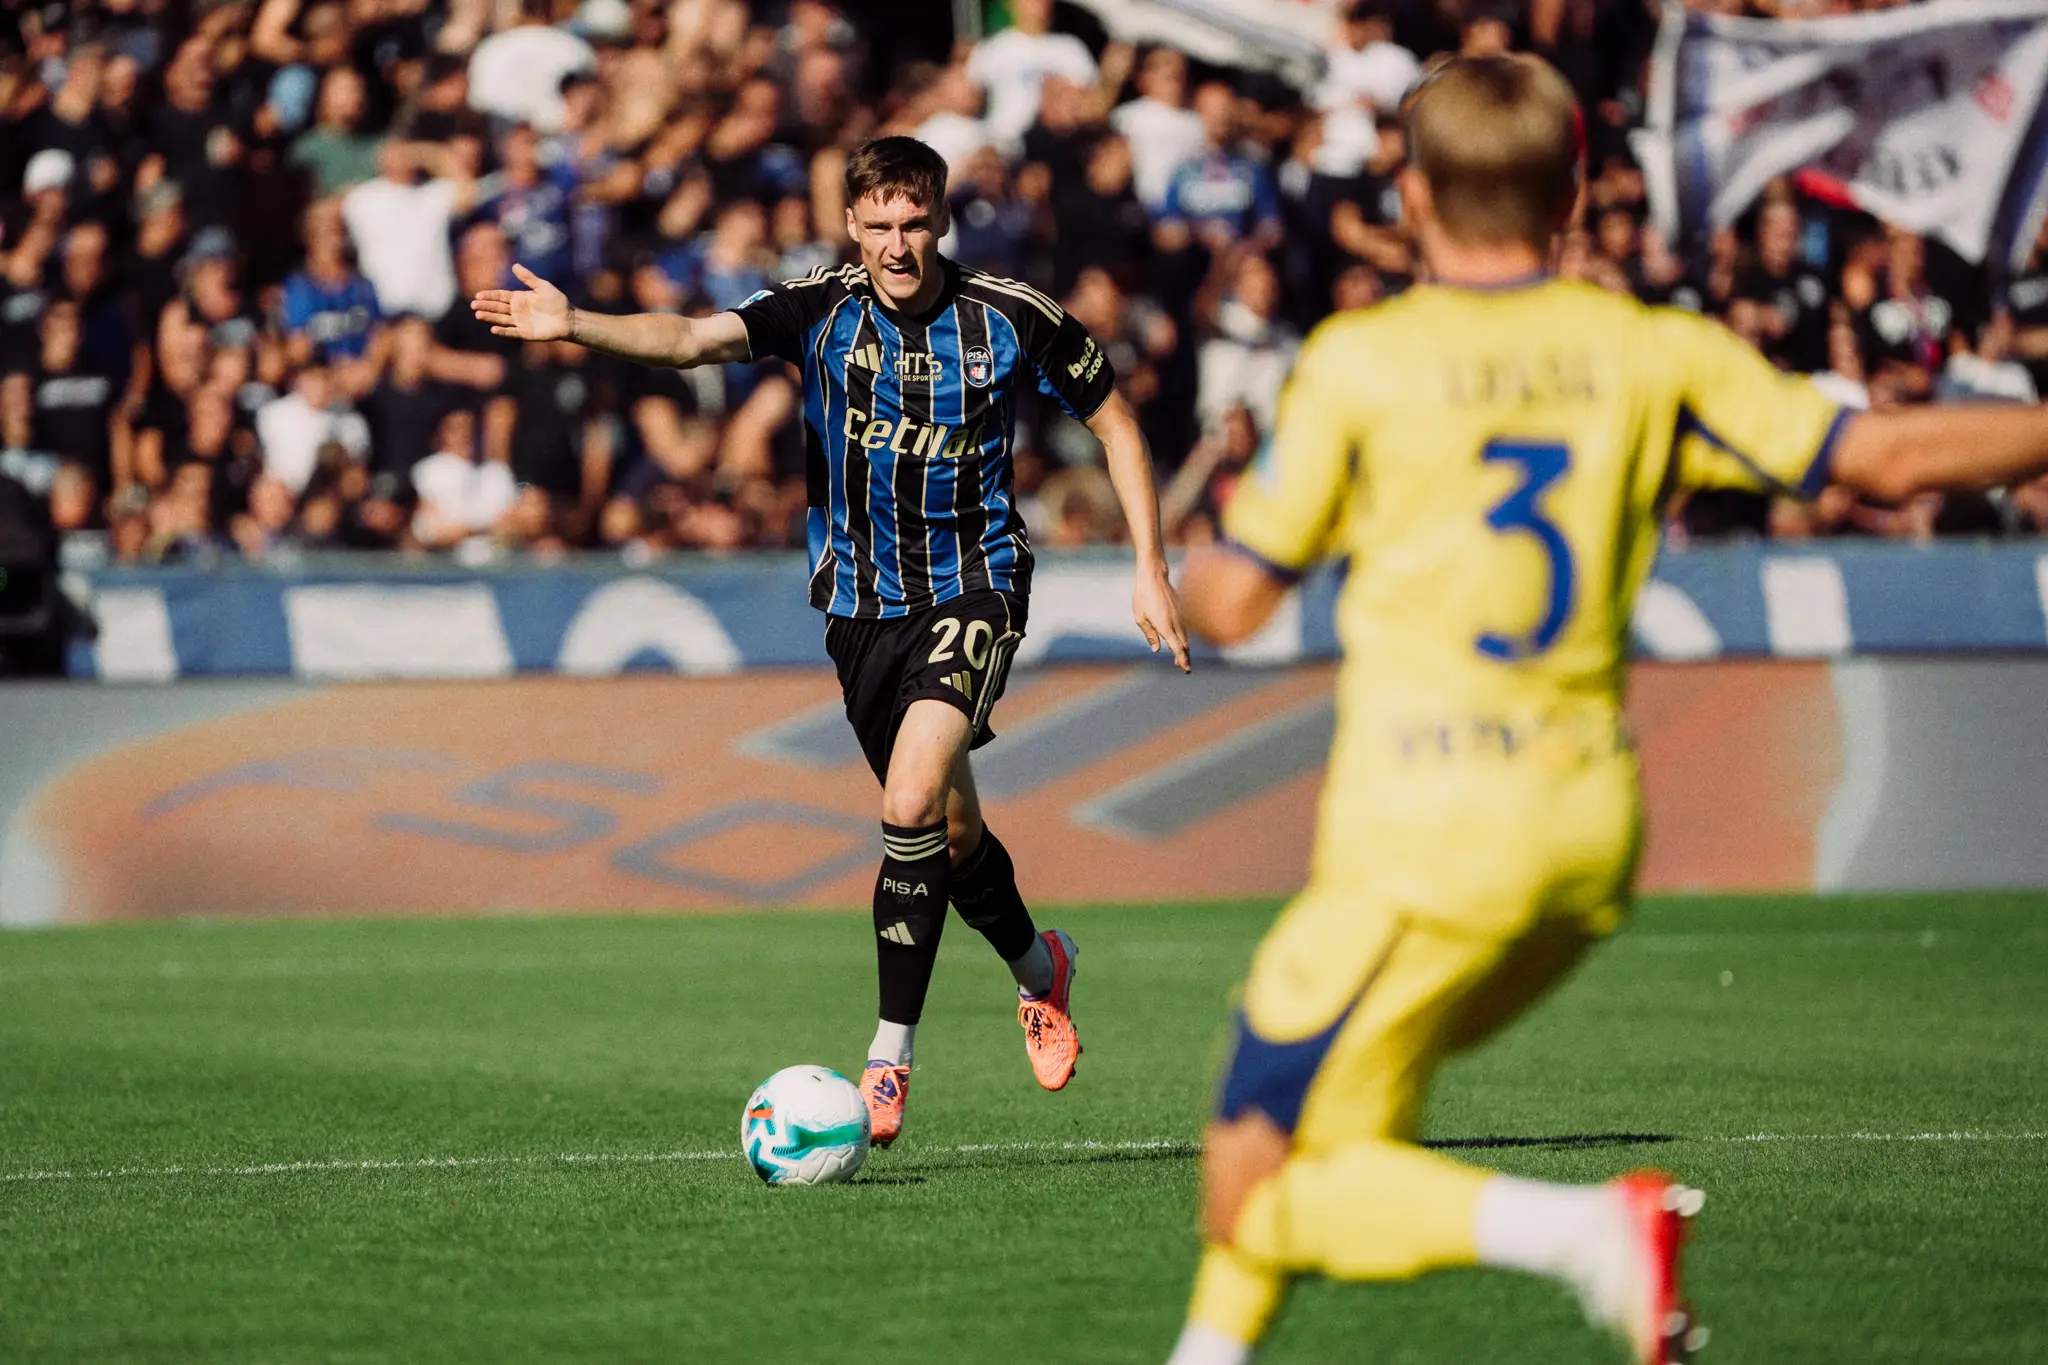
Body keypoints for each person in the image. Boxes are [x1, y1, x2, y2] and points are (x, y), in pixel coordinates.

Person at [1167, 54, 2048, 1365]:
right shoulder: (1649, 352)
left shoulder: (1364, 364)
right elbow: (1881, 456)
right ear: (1574, 194)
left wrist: (1211, 541)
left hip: (1422, 834)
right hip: (1584, 831)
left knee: (1252, 1169)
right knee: (1318, 1146)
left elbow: (1232, 604)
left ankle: (1591, 1237)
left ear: (1408, 195)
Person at [474, 135, 1189, 1146]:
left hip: (975, 587)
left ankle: (887, 1056)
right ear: (851, 226)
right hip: (859, 609)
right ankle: (1041, 971)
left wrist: (1148, 568)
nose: (897, 245)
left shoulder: (1011, 316)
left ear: (940, 219)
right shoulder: (818, 309)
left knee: (904, 801)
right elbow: (685, 339)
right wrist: (574, 323)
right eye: (878, 226)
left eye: (913, 223)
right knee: (948, 834)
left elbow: (1116, 422)